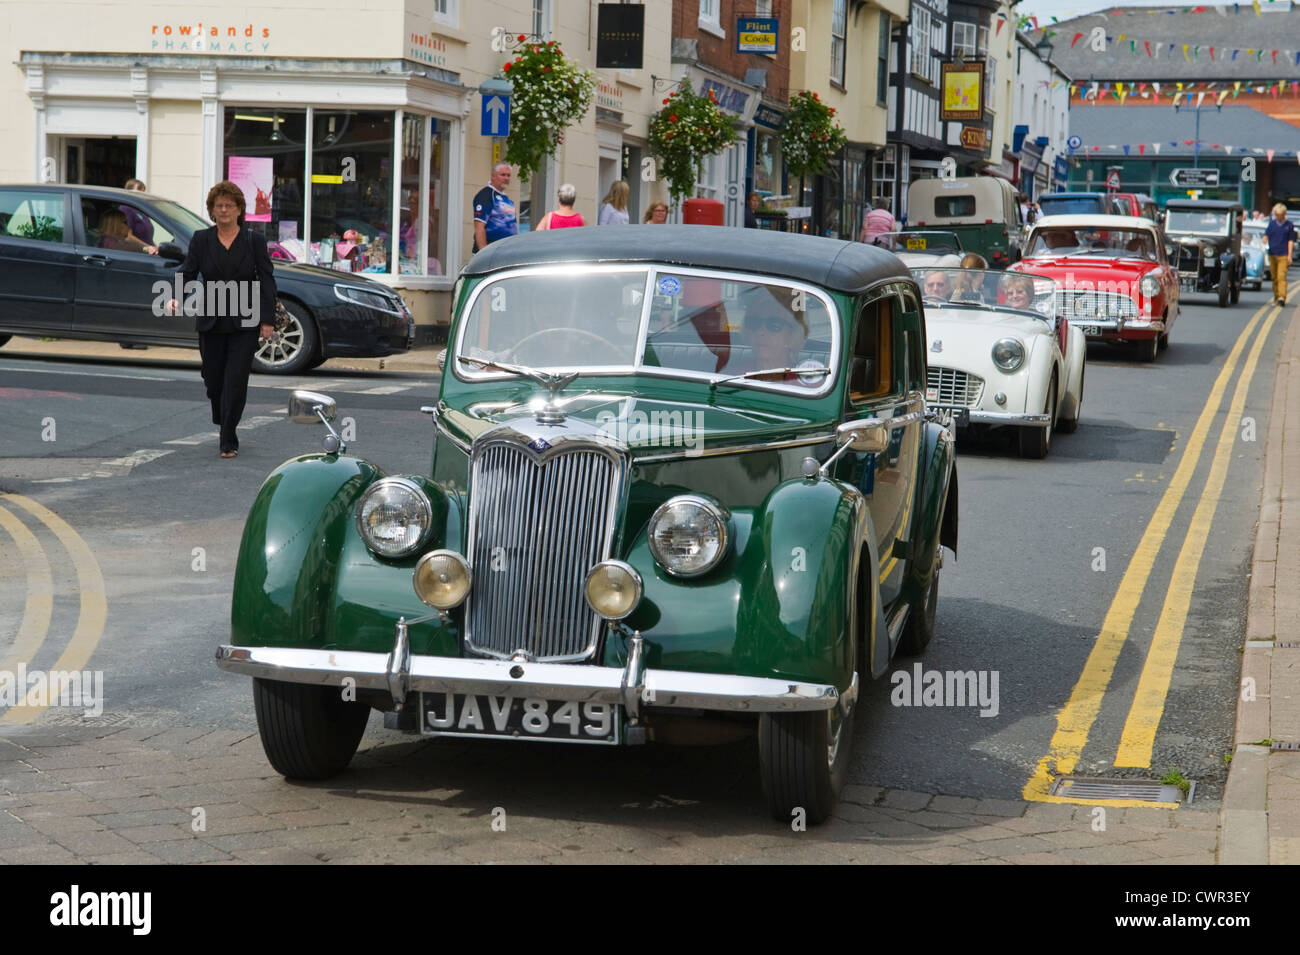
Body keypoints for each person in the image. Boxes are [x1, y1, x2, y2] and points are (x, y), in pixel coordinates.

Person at [167, 181, 276, 458]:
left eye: (229, 205)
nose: (224, 210)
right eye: (219, 206)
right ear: (212, 211)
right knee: (213, 379)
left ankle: (228, 436)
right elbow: (188, 270)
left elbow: (266, 279)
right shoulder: (201, 239)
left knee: (236, 379)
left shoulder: (254, 241)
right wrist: (176, 295)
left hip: (245, 320)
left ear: (240, 210)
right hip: (211, 318)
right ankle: (220, 411)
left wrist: (267, 320)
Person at [472, 162, 517, 252]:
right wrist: (483, 253)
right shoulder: (486, 195)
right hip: (491, 251)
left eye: (508, 175)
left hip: (505, 250)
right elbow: (479, 227)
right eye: (503, 175)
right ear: (493, 176)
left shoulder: (505, 198)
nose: (506, 178)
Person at [1266, 203, 1296, 305]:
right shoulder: (1272, 224)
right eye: (1276, 214)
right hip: (1272, 254)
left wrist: (1290, 255)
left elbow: (1291, 241)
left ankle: (1282, 297)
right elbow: (1267, 235)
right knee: (1274, 278)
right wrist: (1264, 239)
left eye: (1280, 214)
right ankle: (1276, 297)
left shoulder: (1289, 225)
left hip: (1283, 254)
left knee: (1281, 277)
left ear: (1284, 214)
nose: (1278, 216)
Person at [120, 178, 155, 246]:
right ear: (128, 191)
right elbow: (128, 236)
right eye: (138, 191)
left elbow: (147, 238)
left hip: (147, 251)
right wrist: (148, 247)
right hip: (136, 252)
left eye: (142, 192)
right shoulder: (126, 208)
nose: (141, 194)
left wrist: (156, 248)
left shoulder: (140, 209)